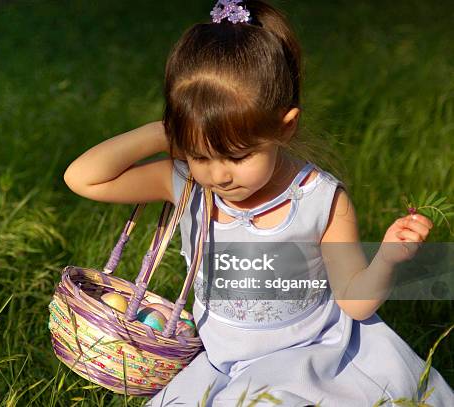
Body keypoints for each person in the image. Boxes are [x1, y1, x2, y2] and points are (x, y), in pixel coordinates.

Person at [63, 1, 454, 405]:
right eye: (201, 155)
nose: (219, 174)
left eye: (237, 156)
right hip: (220, 361)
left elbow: (355, 302)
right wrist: (166, 131)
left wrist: (387, 259)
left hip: (306, 356)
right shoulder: (185, 183)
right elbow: (84, 178)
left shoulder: (319, 200)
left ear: (285, 128)